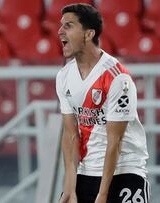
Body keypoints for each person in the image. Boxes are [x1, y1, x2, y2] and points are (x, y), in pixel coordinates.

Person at [56, 3, 149, 203]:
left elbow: (115, 140)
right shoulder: (63, 76)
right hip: (87, 171)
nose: (60, 31)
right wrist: (70, 187)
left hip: (124, 172)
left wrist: (103, 194)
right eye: (61, 25)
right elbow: (70, 134)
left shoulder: (117, 78)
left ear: (89, 34)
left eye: (69, 26)